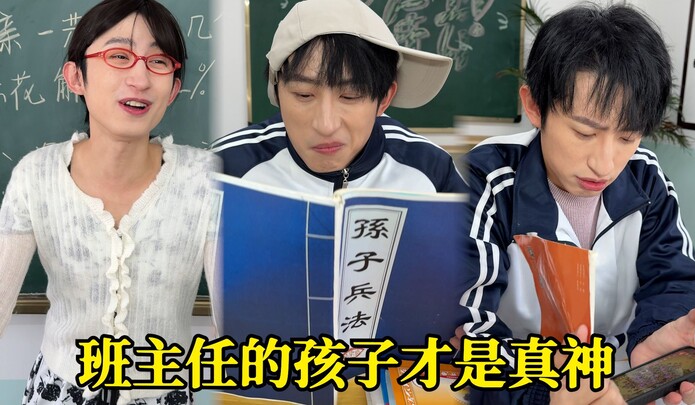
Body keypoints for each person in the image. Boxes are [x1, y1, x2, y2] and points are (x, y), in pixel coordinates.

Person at [461, 4, 695, 404]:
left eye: (627, 137)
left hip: (619, 376)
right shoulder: (486, 179)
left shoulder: (645, 178)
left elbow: (678, 280)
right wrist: (543, 396)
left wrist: (657, 336)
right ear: (534, 106)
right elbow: (466, 327)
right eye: (584, 133)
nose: (605, 164)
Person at [0, 0, 220, 404]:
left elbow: (235, 315)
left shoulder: (207, 179)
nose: (139, 78)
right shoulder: (36, 175)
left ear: (174, 89)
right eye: (119, 56)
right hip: (58, 391)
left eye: (158, 62)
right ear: (75, 77)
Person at [211, 0, 466, 196]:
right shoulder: (224, 167)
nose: (326, 125)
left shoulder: (432, 171)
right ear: (277, 93)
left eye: (350, 95)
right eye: (304, 94)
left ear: (384, 99)